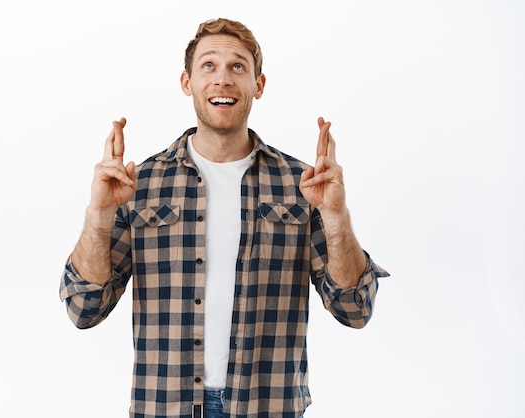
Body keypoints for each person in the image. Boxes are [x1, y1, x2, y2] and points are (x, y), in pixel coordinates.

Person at [60, 17, 389, 418]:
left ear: (258, 85)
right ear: (187, 83)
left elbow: (355, 311)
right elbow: (83, 309)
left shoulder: (301, 186)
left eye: (238, 66)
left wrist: (335, 216)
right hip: (165, 407)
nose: (223, 79)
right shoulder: (138, 184)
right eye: (208, 66)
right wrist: (99, 214)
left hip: (268, 408)